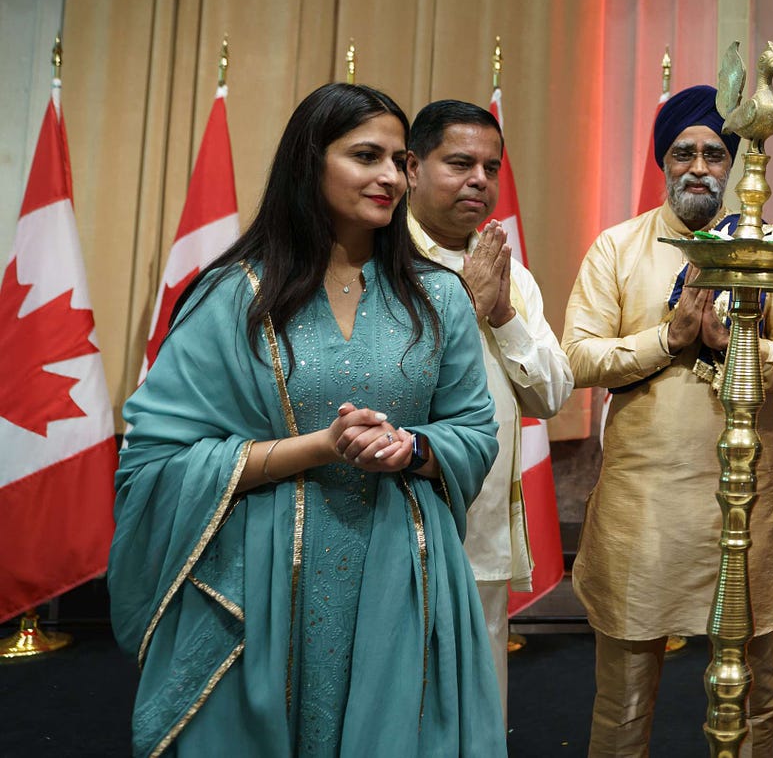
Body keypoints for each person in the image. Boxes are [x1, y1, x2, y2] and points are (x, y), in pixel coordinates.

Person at [110, 82, 507, 756]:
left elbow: (474, 429)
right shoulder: (236, 294)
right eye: (365, 155)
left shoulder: (438, 296)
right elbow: (157, 457)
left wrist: (410, 448)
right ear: (309, 162)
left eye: (398, 160)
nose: (390, 175)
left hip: (402, 574)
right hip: (264, 578)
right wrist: (320, 446)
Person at [562, 85, 773, 756]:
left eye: (712, 152)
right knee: (622, 700)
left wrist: (737, 347)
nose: (699, 166)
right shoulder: (616, 249)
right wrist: (669, 339)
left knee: (755, 692)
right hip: (642, 511)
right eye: (684, 153)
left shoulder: (767, 250)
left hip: (742, 509)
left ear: (731, 165)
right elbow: (579, 357)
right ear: (663, 162)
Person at [405, 98, 574, 717]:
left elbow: (552, 394)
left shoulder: (510, 272)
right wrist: (465, 306)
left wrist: (501, 312)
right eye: (460, 163)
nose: (480, 178)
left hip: (481, 528)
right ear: (412, 168)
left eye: (491, 167)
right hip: (391, 521)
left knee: (478, 707)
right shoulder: (373, 259)